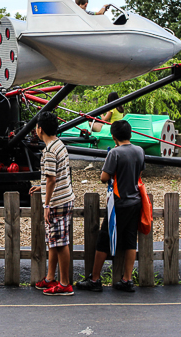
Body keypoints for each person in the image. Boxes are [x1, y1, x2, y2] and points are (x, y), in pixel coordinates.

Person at [76, 120, 144, 293]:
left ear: (113, 136)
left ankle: (95, 279)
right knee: (130, 240)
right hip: (135, 200)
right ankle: (127, 279)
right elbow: (140, 174)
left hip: (119, 202)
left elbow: (104, 177)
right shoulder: (139, 151)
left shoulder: (114, 153)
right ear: (130, 134)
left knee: (104, 238)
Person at [29, 111, 75, 296]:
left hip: (57, 202)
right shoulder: (59, 145)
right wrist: (41, 187)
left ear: (40, 129)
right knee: (54, 241)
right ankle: (50, 278)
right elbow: (59, 175)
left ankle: (65, 283)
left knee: (61, 242)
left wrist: (46, 205)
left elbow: (51, 179)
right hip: (64, 197)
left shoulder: (49, 150)